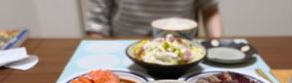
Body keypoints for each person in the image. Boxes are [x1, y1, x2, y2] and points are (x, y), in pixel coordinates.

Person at [85, 0, 222, 38]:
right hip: (124, 46)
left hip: (183, 49)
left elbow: (210, 9)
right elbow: (96, 24)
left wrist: (216, 44)